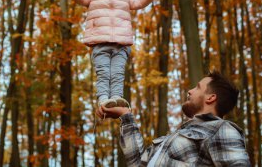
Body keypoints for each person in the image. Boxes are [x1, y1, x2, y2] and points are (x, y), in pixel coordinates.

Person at [96, 71, 251, 166]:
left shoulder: (221, 130)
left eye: (197, 87)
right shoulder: (172, 138)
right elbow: (137, 163)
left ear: (211, 97)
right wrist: (125, 116)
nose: (190, 91)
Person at [69, 0, 160, 108]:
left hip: (121, 45)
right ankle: (104, 99)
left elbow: (140, 1)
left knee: (117, 74)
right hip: (100, 43)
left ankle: (117, 97)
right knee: (104, 73)